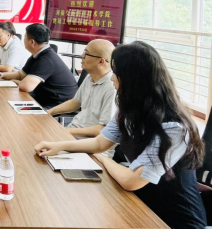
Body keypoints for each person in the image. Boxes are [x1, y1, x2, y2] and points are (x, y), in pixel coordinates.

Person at [34, 41, 206, 229]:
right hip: (141, 205)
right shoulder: (130, 109)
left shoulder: (175, 128)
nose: (111, 78)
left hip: (173, 220)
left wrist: (104, 160)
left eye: (116, 73)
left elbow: (130, 181)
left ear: (133, 79)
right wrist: (58, 146)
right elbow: (99, 144)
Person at [47, 39, 117, 156]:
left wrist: (68, 131)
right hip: (73, 137)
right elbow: (75, 102)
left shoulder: (112, 87)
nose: (82, 56)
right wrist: (50, 112)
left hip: (93, 148)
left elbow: (103, 129)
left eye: (86, 53)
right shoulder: (90, 77)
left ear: (101, 61)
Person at [0, 24, 77, 108]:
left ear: (32, 42)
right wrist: (2, 75)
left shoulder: (46, 59)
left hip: (58, 103)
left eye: (25, 37)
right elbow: (20, 74)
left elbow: (26, 86)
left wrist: (16, 82)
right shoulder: (37, 55)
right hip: (44, 96)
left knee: (9, 106)